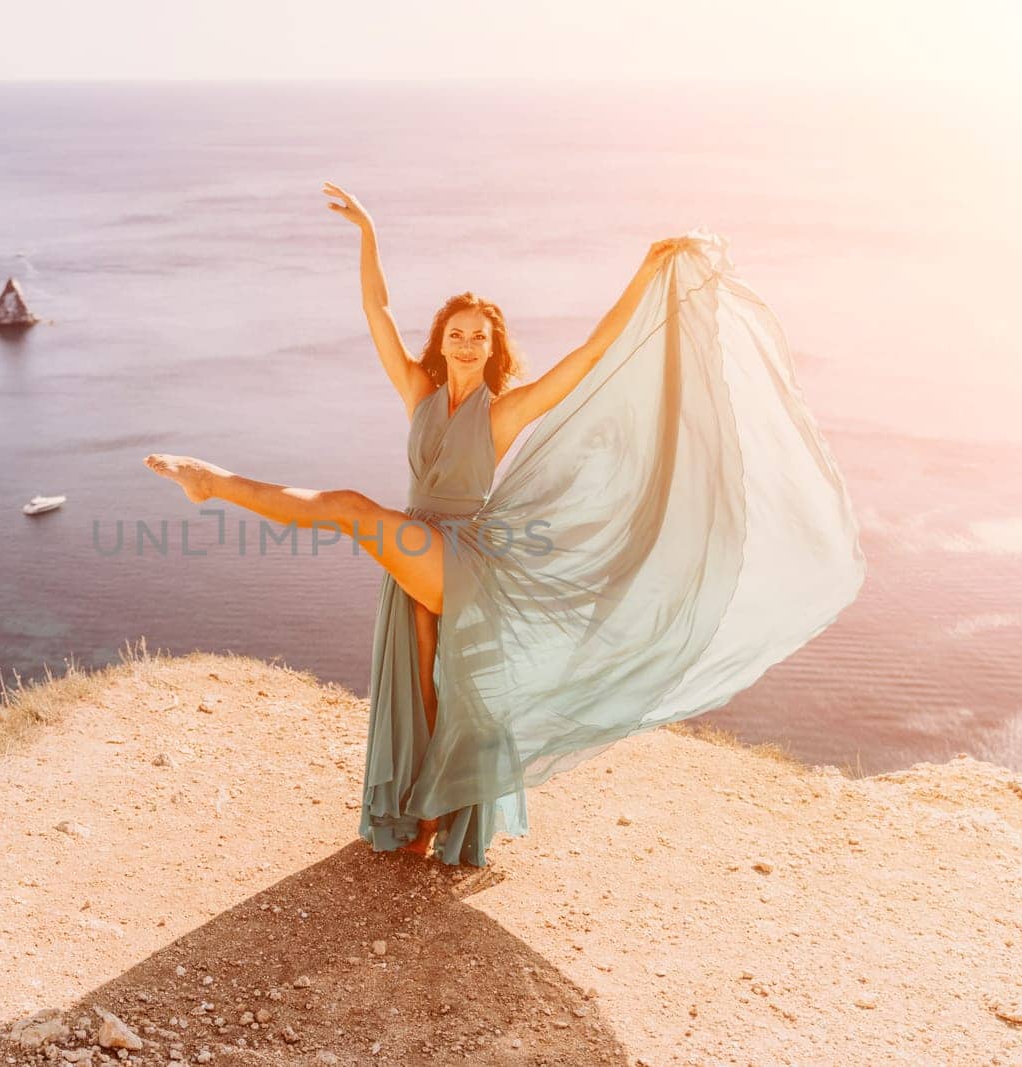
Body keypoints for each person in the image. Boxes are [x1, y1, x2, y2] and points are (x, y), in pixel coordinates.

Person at [145, 182, 865, 867]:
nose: (466, 343)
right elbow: (377, 313)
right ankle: (422, 818)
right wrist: (369, 234)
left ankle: (213, 484)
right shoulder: (418, 392)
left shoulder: (501, 412)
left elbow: (587, 359)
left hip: (460, 554)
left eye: (479, 337)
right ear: (442, 340)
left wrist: (647, 273)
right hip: (416, 554)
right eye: (456, 333)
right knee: (431, 692)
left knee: (349, 508)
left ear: (493, 348)